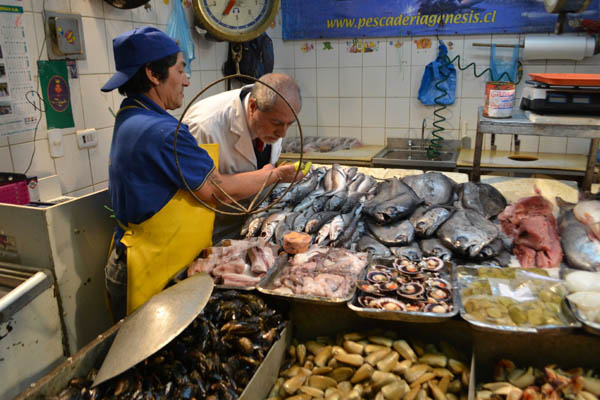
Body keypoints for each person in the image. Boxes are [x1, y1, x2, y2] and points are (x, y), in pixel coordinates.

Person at [101, 27, 300, 320]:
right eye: (180, 70)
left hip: (139, 256)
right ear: (153, 75)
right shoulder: (163, 132)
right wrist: (273, 175)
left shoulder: (132, 114)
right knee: (151, 361)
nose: (187, 80)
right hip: (149, 266)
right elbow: (216, 190)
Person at [183, 73, 302, 241]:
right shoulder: (205, 125)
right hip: (212, 225)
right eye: (276, 123)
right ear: (253, 106)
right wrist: (272, 175)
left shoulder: (273, 112)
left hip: (250, 218)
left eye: (289, 124)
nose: (282, 133)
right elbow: (208, 190)